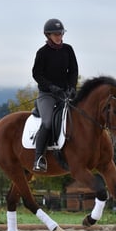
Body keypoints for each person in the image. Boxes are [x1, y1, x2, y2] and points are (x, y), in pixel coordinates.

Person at [31, 18, 78, 172]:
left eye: (61, 33)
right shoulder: (42, 53)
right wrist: (51, 87)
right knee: (48, 122)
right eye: (55, 34)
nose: (59, 36)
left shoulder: (68, 50)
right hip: (47, 95)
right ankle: (39, 159)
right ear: (48, 35)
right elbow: (37, 74)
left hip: (65, 94)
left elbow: (73, 71)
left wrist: (71, 87)